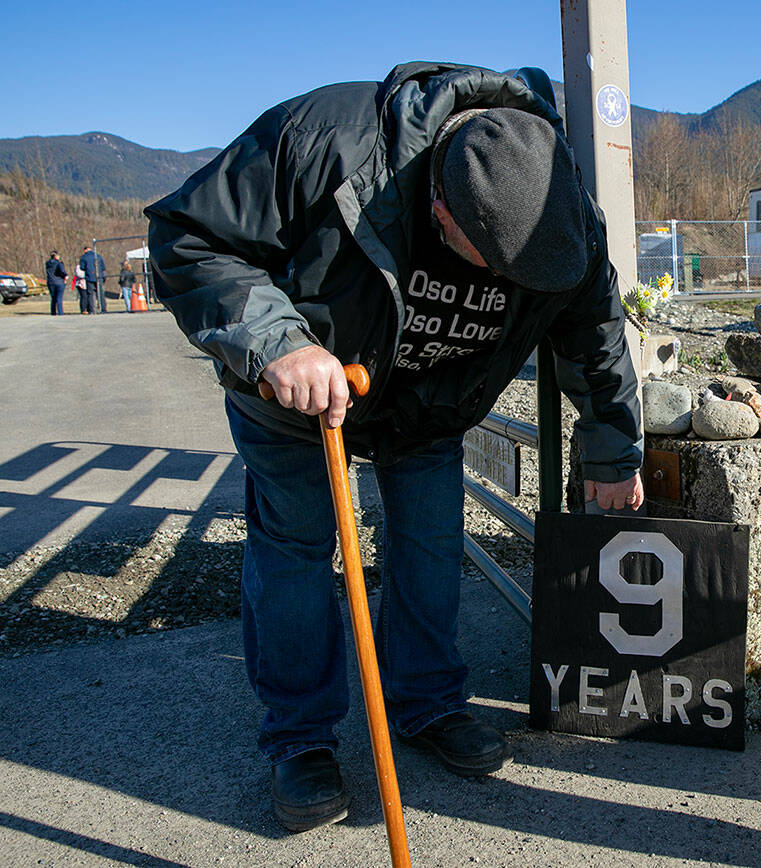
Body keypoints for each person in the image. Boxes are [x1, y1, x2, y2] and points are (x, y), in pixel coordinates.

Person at [146, 62, 643, 833]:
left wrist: (613, 451)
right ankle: (302, 738)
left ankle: (428, 704)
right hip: (302, 393)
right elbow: (187, 237)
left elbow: (596, 329)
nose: (509, 285)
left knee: (431, 546)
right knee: (297, 553)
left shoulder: (557, 202)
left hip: (433, 405)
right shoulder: (324, 142)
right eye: (492, 266)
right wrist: (277, 341)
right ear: (440, 207)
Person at [78, 245, 107, 314]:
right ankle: (103, 308)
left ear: (85, 250)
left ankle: (92, 310)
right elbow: (103, 267)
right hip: (99, 277)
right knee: (100, 294)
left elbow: (82, 268)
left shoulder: (84, 257)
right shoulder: (98, 256)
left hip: (89, 277)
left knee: (90, 294)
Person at [45, 251, 67, 315]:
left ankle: (53, 312)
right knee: (59, 298)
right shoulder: (59, 263)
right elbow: (62, 272)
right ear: (56, 256)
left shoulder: (47, 263)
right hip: (59, 282)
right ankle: (60, 312)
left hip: (51, 282)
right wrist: (65, 275)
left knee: (53, 298)